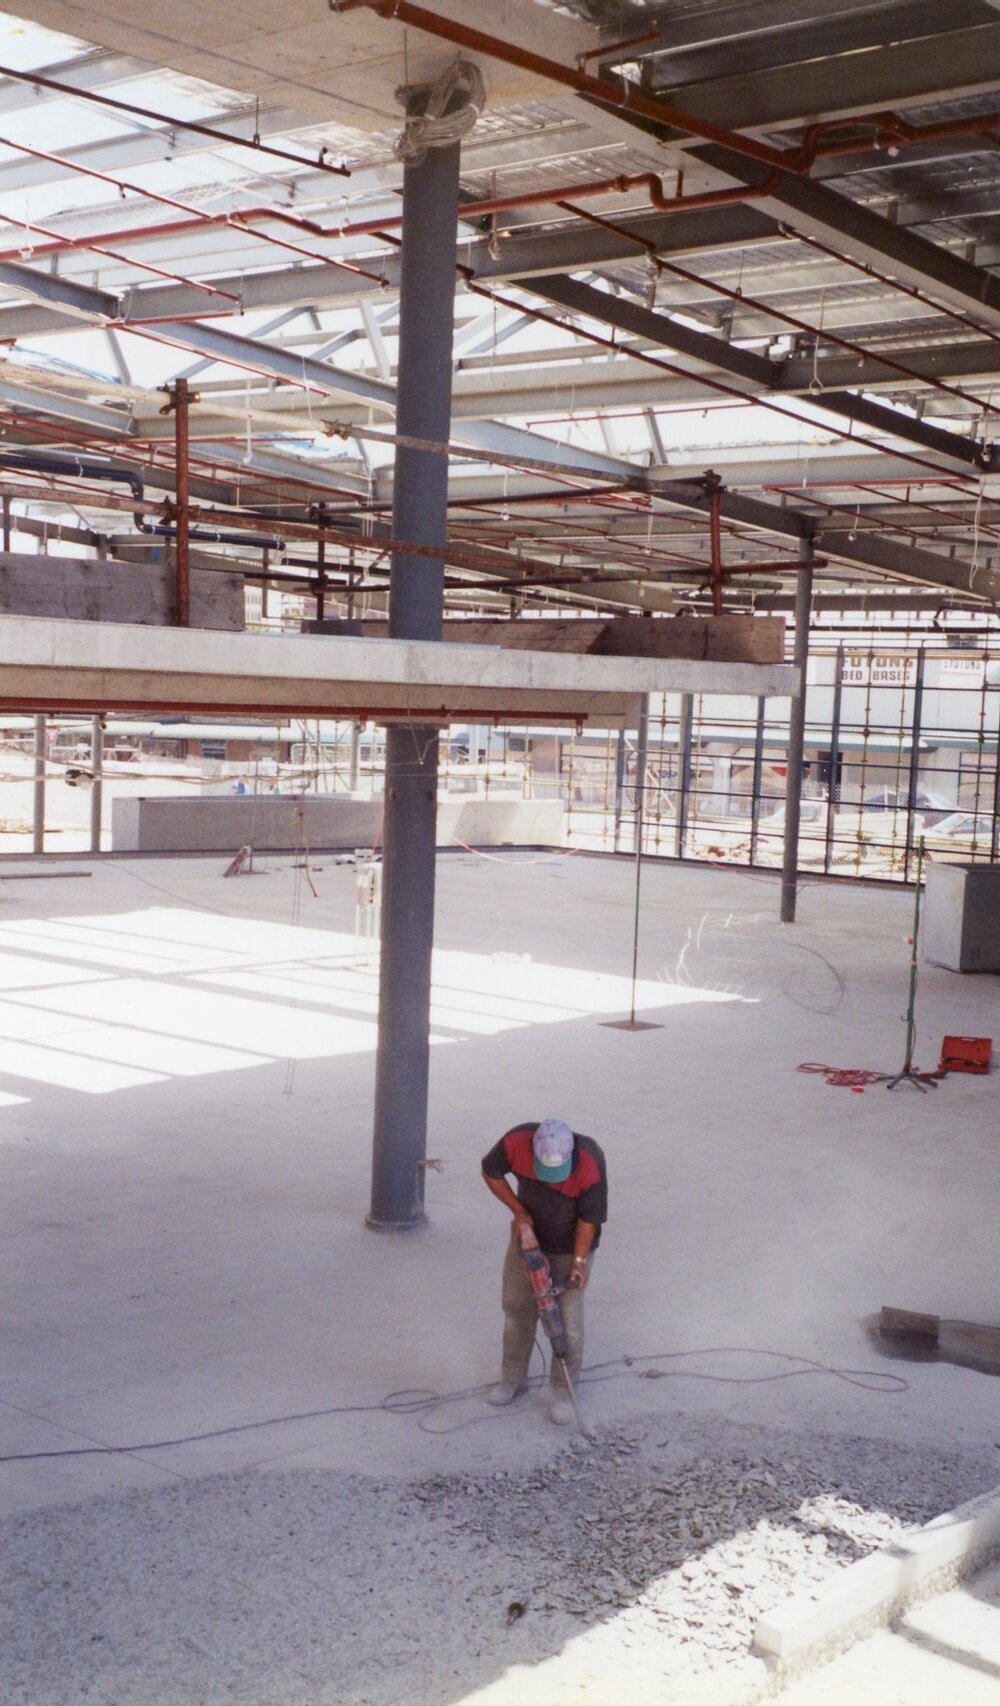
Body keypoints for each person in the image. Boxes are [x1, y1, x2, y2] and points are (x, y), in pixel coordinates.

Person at [481, 1118, 607, 1425]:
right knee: (516, 1309)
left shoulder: (589, 1161)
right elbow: (490, 1171)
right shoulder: (515, 1141)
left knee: (567, 1323)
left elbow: (589, 1221)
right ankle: (513, 1379)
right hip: (528, 1242)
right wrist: (520, 1214)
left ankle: (562, 1391)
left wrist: (578, 1263)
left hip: (570, 1247)